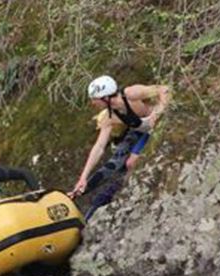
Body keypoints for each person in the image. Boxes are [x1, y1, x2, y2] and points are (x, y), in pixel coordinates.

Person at [68, 75, 171, 220]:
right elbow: (99, 147)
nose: (92, 103)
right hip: (141, 131)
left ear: (106, 98)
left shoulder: (131, 94)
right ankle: (82, 190)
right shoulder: (108, 117)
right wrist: (83, 177)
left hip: (160, 125)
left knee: (131, 162)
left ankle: (129, 190)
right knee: (117, 161)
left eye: (94, 99)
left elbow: (164, 90)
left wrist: (159, 111)